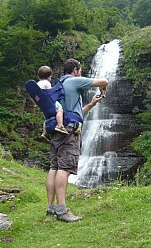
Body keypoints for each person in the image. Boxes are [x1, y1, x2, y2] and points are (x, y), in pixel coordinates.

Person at [45, 58, 108, 222]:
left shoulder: (57, 86)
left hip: (57, 129)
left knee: (54, 167)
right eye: (80, 69)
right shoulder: (74, 81)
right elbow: (104, 80)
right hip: (69, 132)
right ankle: (62, 210)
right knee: (64, 168)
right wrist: (103, 88)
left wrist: (92, 104)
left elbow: (74, 112)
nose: (81, 72)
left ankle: (51, 208)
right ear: (75, 69)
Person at [37, 65, 68, 137]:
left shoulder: (38, 83)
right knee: (60, 110)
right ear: (48, 77)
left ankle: (44, 132)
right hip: (49, 101)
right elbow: (50, 92)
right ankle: (60, 125)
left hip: (43, 104)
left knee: (47, 117)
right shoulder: (47, 83)